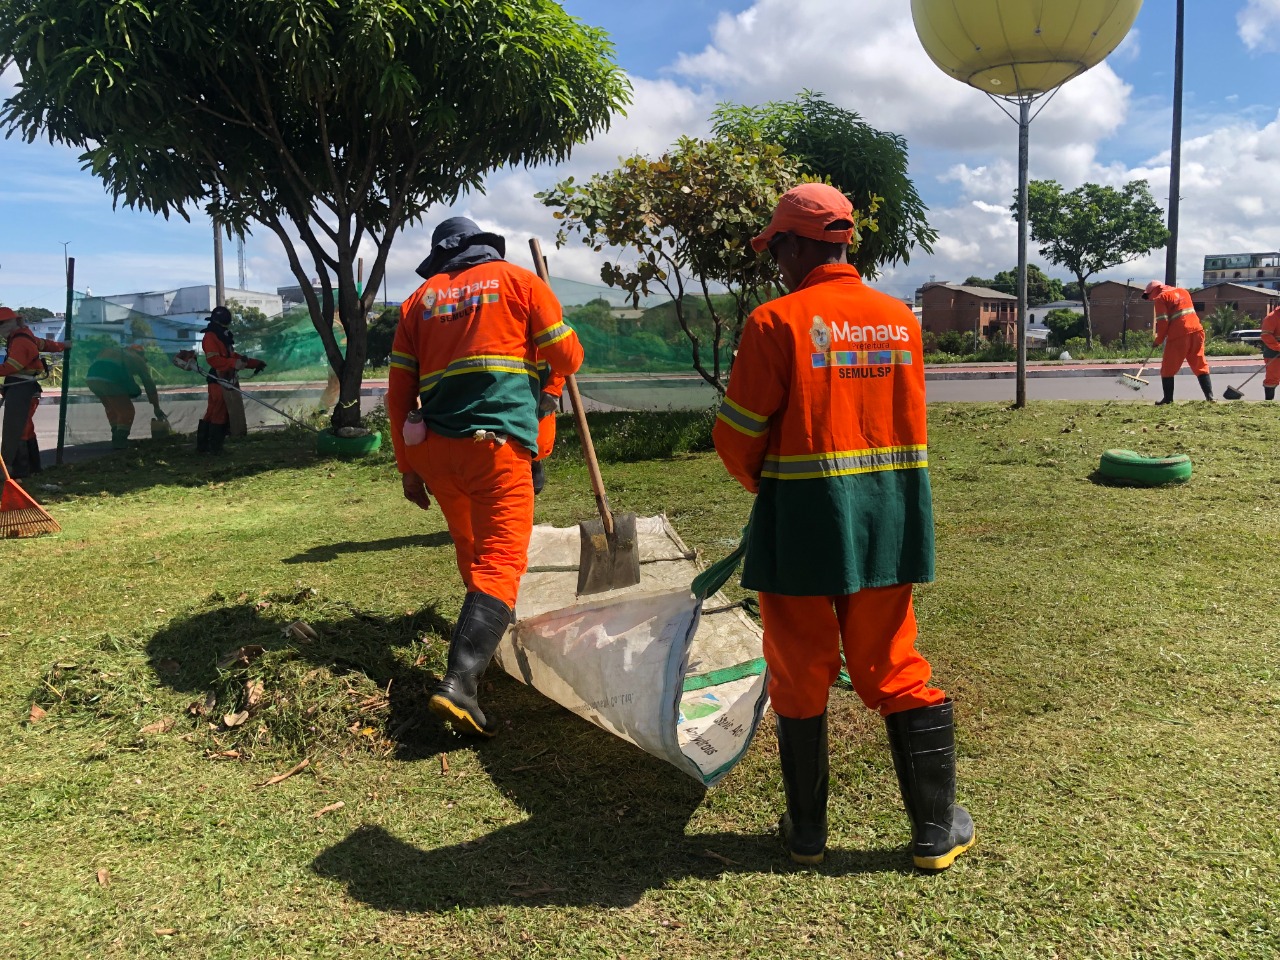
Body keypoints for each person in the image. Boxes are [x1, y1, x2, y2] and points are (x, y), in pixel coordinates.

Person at [712, 183, 974, 871]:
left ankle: (806, 837)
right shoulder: (899, 320)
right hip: (888, 519)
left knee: (799, 670)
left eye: (777, 249)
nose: (775, 263)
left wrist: (769, 490)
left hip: (801, 520)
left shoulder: (776, 323)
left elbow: (738, 436)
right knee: (891, 664)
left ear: (799, 245)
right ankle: (933, 832)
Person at [387, 217, 583, 737]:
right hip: (493, 451)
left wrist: (407, 470)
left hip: (433, 451)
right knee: (501, 559)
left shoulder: (417, 302)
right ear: (484, 247)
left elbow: (398, 398)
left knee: (471, 545)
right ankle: (461, 682)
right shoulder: (520, 283)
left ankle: (486, 636)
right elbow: (567, 356)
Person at [0, 307, 66, 478]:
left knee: (17, 429)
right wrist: (63, 346)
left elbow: (12, 366)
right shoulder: (22, 335)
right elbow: (46, 344)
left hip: (22, 386)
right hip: (23, 386)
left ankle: (18, 471)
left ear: (9, 323)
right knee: (24, 428)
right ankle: (32, 468)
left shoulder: (20, 340)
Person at [198, 305, 264, 453]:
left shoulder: (223, 336)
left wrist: (252, 363)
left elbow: (232, 356)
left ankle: (205, 447)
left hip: (227, 378)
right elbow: (214, 360)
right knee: (218, 412)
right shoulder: (210, 337)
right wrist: (234, 363)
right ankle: (214, 448)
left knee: (214, 411)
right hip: (218, 379)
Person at [1142, 281, 1214, 404]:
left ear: (1156, 289)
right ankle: (1210, 397)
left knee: (1167, 368)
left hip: (1179, 335)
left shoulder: (1161, 298)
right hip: (1197, 331)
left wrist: (1158, 340)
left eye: (1148, 295)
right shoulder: (1184, 292)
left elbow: (1163, 323)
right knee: (1200, 364)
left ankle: (1168, 399)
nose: (1149, 299)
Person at [86, 343, 165, 449]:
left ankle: (116, 436)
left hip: (92, 378)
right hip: (110, 379)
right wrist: (156, 407)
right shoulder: (137, 359)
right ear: (141, 354)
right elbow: (148, 383)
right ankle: (121, 441)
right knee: (127, 411)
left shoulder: (113, 351)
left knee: (112, 409)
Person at [532, 361, 565, 495]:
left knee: (540, 440)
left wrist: (554, 387)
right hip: (506, 377)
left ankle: (535, 461)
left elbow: (563, 354)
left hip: (541, 378)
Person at [1260, 305, 1280, 401]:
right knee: (1272, 379)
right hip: (1273, 353)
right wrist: (1278, 347)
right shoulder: (1272, 317)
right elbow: (1266, 335)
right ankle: (1269, 403)